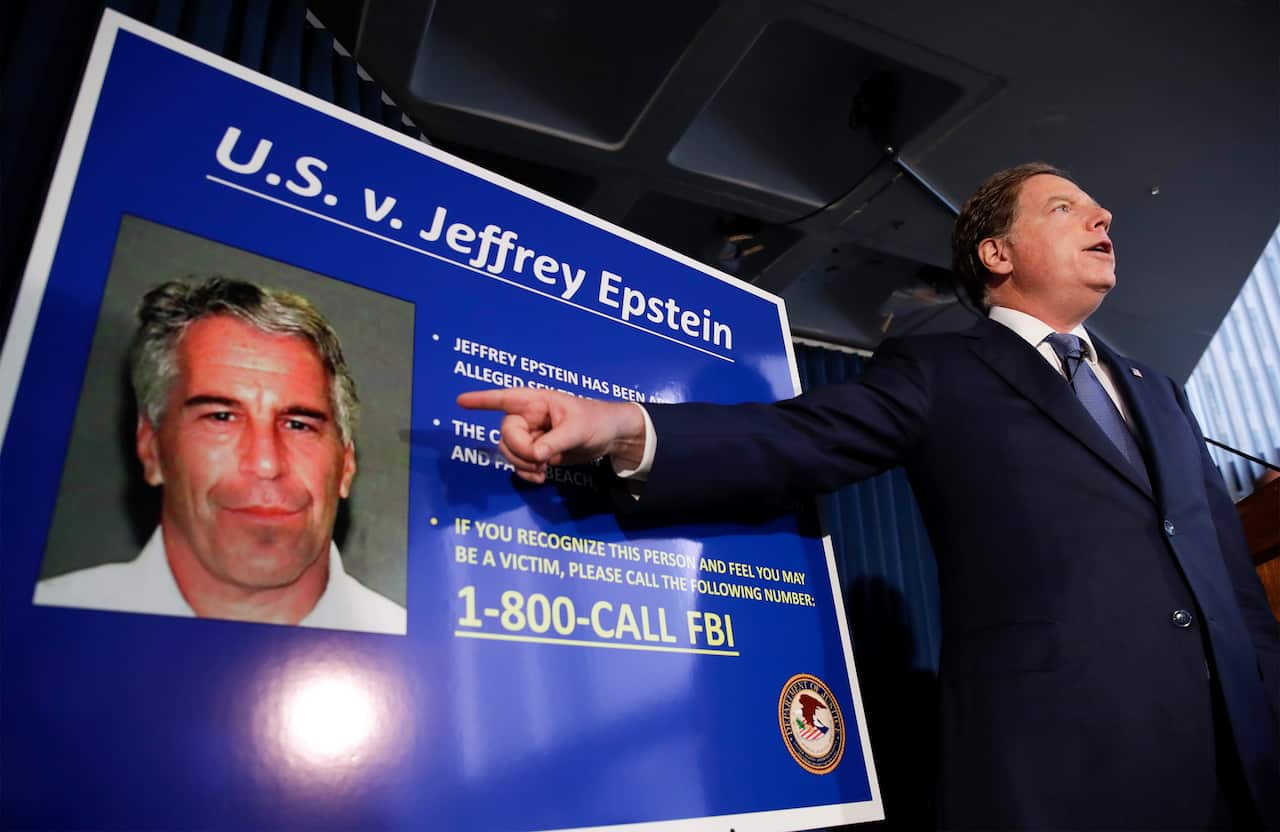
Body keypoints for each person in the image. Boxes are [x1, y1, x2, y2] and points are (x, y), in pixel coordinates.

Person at [460, 163, 1280, 829]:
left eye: (1101, 209)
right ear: (997, 254)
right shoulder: (941, 372)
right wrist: (617, 427)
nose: (1103, 218)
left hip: (1241, 763)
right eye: (1068, 208)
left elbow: (1231, 587)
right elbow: (791, 439)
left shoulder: (1162, 391)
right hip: (1070, 766)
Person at [35, 277, 406, 635]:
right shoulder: (35, 628)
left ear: (346, 465)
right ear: (152, 450)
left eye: (298, 424)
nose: (265, 464)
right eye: (221, 417)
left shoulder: (423, 647)